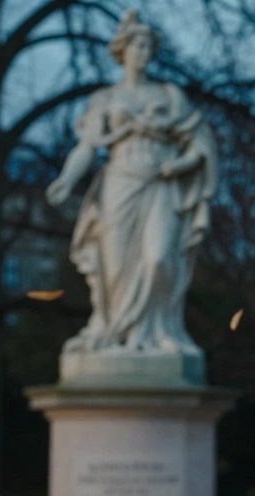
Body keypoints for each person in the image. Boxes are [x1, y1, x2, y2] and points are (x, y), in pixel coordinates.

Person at [45, 9, 216, 358]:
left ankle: (160, 332)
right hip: (119, 184)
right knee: (115, 269)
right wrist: (66, 180)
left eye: (148, 46)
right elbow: (87, 147)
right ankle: (116, 336)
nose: (143, 52)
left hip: (161, 186)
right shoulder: (104, 99)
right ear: (122, 50)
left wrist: (179, 163)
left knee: (159, 260)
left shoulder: (169, 95)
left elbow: (200, 142)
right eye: (137, 45)